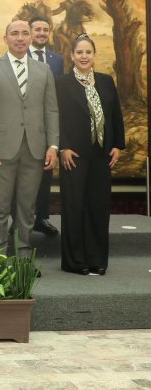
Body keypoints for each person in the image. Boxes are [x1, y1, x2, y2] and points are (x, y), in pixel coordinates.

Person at [0, 20, 59, 258]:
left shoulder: (43, 70)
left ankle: (23, 256)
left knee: (27, 207)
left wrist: (53, 145)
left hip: (35, 149)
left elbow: (51, 110)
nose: (21, 38)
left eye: (25, 33)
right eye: (15, 33)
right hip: (1, 150)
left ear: (31, 37)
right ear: (5, 38)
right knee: (0, 206)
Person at [56, 34, 124, 275]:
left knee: (98, 206)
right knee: (74, 207)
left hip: (101, 155)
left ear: (94, 56)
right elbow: (57, 119)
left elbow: (116, 114)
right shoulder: (62, 84)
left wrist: (117, 145)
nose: (84, 56)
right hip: (73, 156)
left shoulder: (106, 82)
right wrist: (62, 147)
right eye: (79, 53)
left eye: (88, 52)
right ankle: (75, 261)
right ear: (72, 56)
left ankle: (97, 260)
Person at [27, 16, 65, 236]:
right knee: (21, 176)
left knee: (45, 174)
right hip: (24, 126)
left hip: (47, 126)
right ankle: (20, 219)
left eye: (45, 29)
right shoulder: (20, 56)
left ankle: (41, 218)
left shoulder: (57, 60)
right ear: (30, 32)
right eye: (37, 29)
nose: (41, 33)